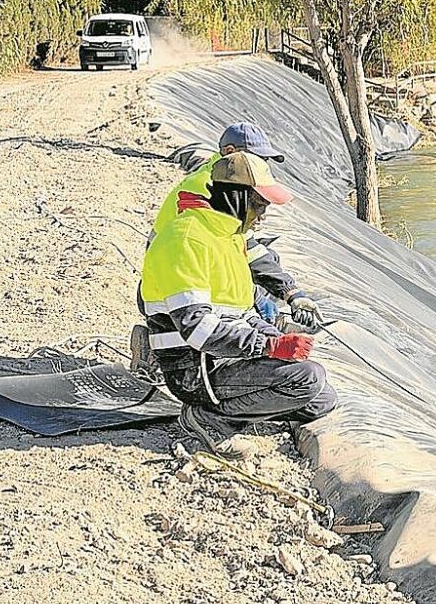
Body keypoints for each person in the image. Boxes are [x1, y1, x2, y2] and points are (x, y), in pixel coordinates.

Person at [139, 151, 337, 456]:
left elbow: (242, 311)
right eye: (258, 205)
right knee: (308, 379)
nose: (263, 215)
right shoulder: (187, 240)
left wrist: (279, 332)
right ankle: (208, 419)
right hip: (196, 369)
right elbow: (199, 331)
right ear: (235, 198)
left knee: (323, 399)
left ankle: (238, 406)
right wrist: (269, 347)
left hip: (226, 356)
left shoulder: (230, 235)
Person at [151, 122, 323, 332]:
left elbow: (247, 247)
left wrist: (291, 292)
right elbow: (219, 256)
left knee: (269, 257)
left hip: (191, 270)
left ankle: (264, 321)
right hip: (178, 285)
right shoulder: (209, 188)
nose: (262, 166)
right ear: (230, 152)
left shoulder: (221, 182)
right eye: (256, 159)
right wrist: (255, 299)